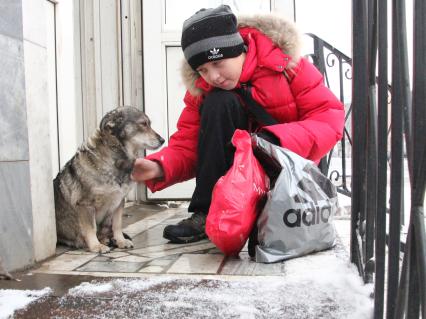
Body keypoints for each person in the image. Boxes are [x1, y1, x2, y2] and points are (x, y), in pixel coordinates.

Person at [131, 5, 345, 244]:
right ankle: (208, 212)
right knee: (218, 101)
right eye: (202, 70)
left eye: (218, 63)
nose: (213, 77)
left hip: (283, 171)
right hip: (235, 176)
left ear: (239, 49)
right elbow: (189, 144)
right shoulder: (203, 91)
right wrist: (159, 167)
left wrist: (274, 140)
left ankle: (264, 211)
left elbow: (328, 118)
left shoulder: (287, 65)